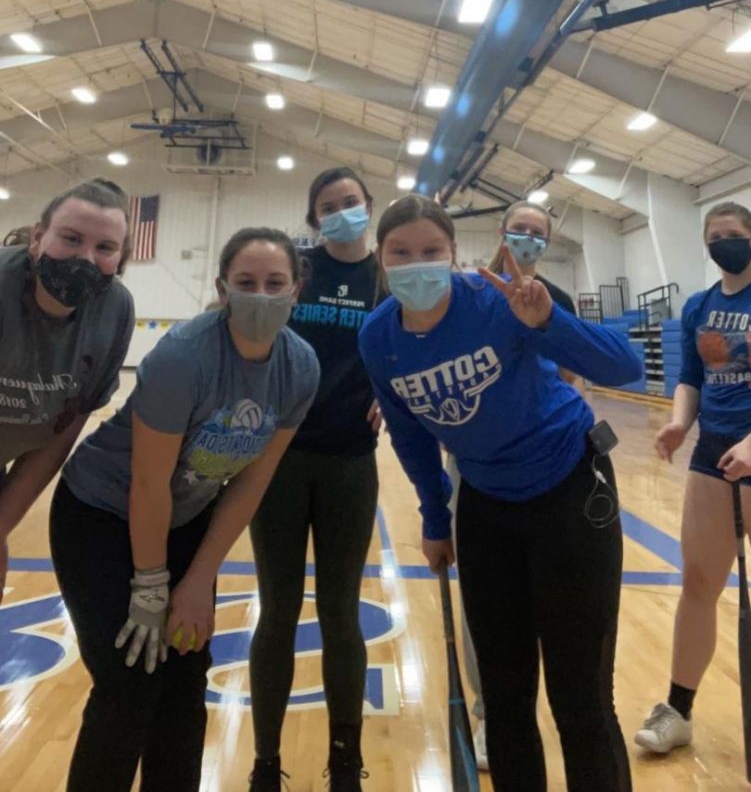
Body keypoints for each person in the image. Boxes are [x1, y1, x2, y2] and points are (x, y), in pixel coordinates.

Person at [359, 196, 642, 792]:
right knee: (505, 697)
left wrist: (547, 321)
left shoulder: (499, 302)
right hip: (485, 505)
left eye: (431, 251)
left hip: (569, 489)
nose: (418, 264)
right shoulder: (378, 336)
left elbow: (625, 367)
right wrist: (436, 519)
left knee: (580, 694)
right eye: (401, 253)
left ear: (453, 254)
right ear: (381, 262)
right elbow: (409, 435)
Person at [50, 227, 320, 792]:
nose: (262, 294)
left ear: (297, 290)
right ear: (223, 289)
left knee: (184, 681)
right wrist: (152, 586)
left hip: (186, 519)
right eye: (246, 283)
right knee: (129, 684)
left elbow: (250, 483)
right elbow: (148, 483)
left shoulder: (300, 368)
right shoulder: (184, 356)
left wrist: (198, 581)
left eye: (276, 283)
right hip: (102, 513)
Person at [248, 167, 382, 792]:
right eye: (329, 206)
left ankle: (345, 762)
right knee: (277, 611)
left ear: (368, 207)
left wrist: (396, 396)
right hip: (278, 459)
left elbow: (413, 348)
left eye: (351, 202)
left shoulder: (389, 276)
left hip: (351, 461)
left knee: (340, 614)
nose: (342, 212)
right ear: (313, 218)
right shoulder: (294, 269)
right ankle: (266, 762)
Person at [456, 199, 580, 770]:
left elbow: (572, 378)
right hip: (478, 461)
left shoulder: (560, 301)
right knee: (488, 605)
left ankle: (563, 717)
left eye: (538, 233)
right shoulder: (473, 294)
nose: (526, 238)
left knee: (550, 599)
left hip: (547, 463)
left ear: (545, 243)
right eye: (519, 228)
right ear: (502, 232)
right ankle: (493, 715)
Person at [635, 201, 751, 755]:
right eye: (714, 237)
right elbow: (690, 376)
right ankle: (678, 711)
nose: (722, 244)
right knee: (697, 585)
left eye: (732, 235)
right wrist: (680, 423)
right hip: (714, 457)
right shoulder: (700, 306)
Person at [0, 179, 134, 604]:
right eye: (72, 239)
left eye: (105, 248)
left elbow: (66, 424)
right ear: (39, 238)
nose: (86, 259)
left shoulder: (116, 311)